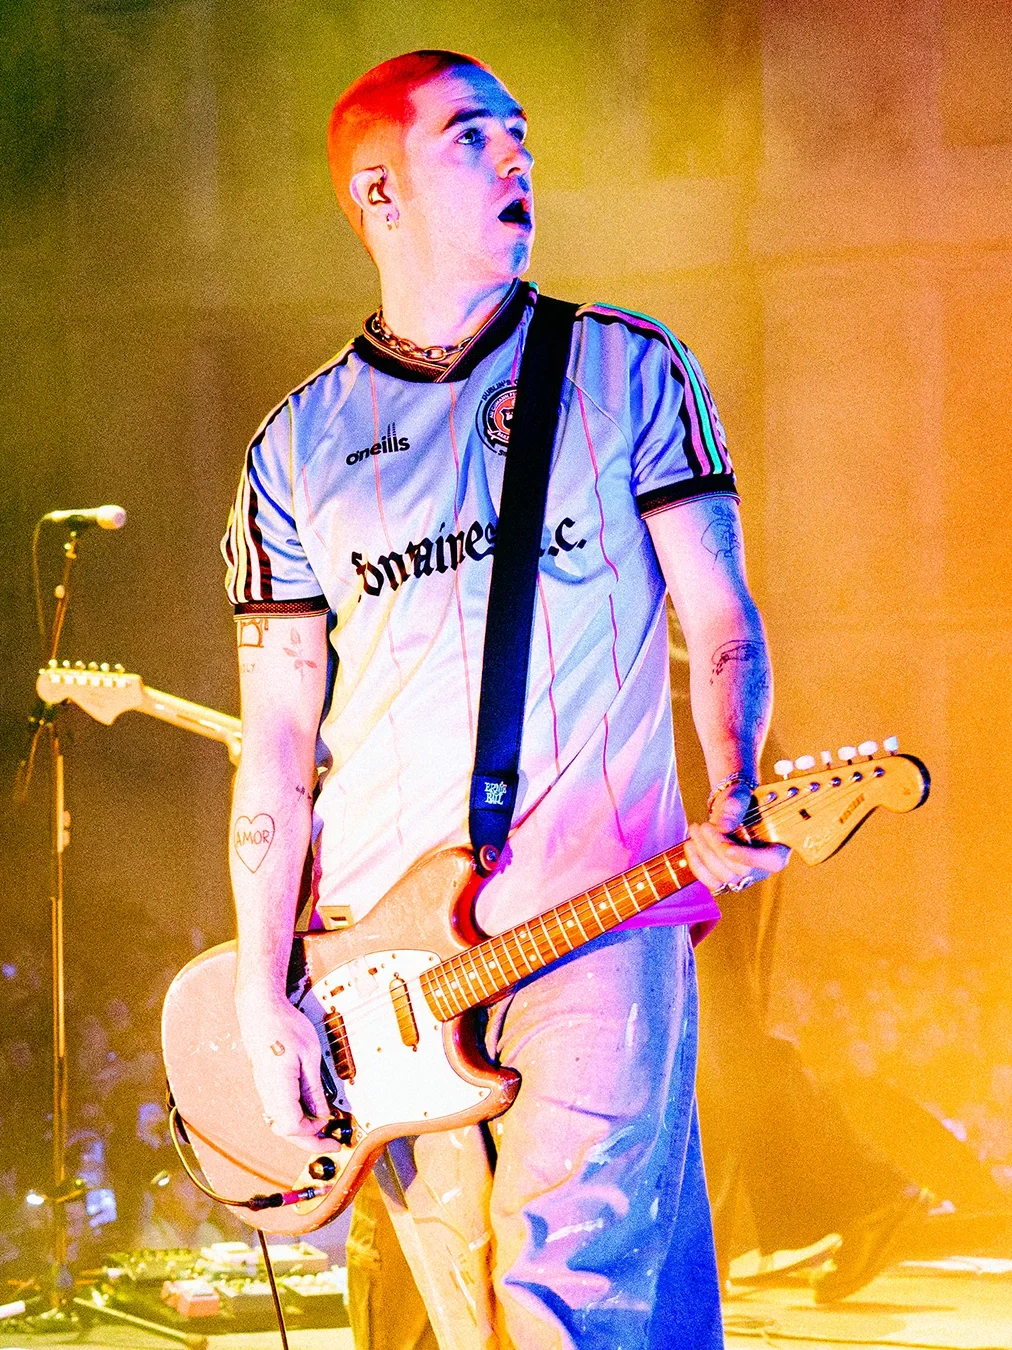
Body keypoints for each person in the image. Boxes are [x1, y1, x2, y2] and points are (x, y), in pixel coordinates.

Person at [222, 49, 788, 1350]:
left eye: (523, 133)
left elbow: (721, 618)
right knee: (461, 1314)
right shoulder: (292, 450)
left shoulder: (629, 371)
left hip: (597, 918)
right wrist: (265, 991)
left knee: (566, 1300)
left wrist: (739, 775)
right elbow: (276, 742)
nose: (519, 157)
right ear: (379, 189)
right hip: (382, 973)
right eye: (476, 136)